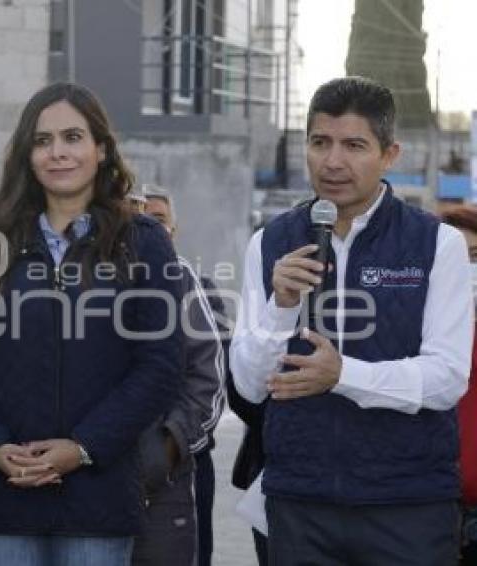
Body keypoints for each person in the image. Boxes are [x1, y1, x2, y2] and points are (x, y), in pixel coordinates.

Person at [230, 76, 473, 565]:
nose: (333, 161)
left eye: (354, 145)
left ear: (390, 155)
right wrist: (281, 305)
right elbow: (250, 386)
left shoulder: (436, 244)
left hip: (407, 504)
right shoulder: (271, 242)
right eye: (320, 143)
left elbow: (447, 378)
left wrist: (344, 376)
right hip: (300, 501)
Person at [0, 82, 183, 566]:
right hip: (6, 491)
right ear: (27, 155)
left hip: (98, 496)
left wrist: (83, 447)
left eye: (73, 137)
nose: (58, 152)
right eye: (42, 140)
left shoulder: (144, 243)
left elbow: (160, 366)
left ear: (100, 149)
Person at [133, 184, 224, 566]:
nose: (146, 226)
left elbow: (211, 374)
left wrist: (167, 448)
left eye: (157, 220)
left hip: (174, 470)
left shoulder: (189, 282)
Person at [437, 205, 477, 564]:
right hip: (428, 503)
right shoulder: (417, 323)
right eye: (458, 257)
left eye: (475, 256)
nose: (466, 268)